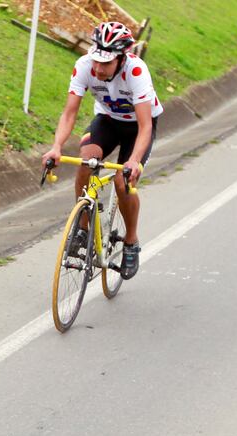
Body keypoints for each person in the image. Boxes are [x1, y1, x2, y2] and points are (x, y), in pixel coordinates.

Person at [41, 22, 164, 279]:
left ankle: (131, 242)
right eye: (96, 60)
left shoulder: (136, 72)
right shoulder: (84, 66)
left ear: (121, 59)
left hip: (137, 128)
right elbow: (69, 113)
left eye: (105, 63)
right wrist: (56, 147)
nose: (98, 68)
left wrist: (133, 161)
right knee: (86, 162)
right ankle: (83, 228)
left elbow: (145, 127)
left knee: (123, 182)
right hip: (107, 122)